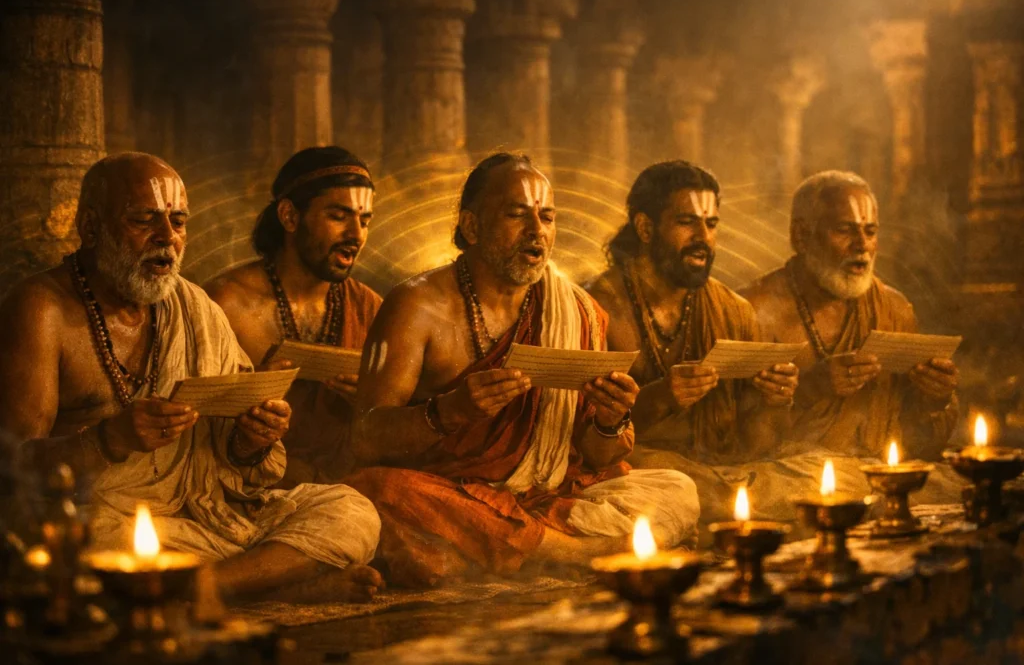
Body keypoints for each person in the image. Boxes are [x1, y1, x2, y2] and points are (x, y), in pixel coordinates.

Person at [0, 153, 382, 603]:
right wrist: (108, 440)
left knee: (351, 511)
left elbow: (234, 460)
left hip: (207, 516)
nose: (167, 238)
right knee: (69, 540)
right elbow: (12, 470)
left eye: (178, 222)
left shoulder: (194, 306)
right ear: (91, 227)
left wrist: (251, 441)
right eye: (144, 220)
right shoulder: (40, 309)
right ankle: (276, 579)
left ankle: (201, 585)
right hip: (108, 516)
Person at [344, 153, 699, 587]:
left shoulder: (580, 312)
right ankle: (575, 554)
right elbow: (365, 438)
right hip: (450, 493)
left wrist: (610, 420)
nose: (537, 231)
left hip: (545, 498)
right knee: (376, 490)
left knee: (676, 490)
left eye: (546, 217)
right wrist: (449, 411)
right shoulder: (416, 305)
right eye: (517, 214)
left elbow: (597, 458)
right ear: (472, 226)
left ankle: (493, 554)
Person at [585, 161, 798, 466]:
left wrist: (775, 401)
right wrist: (659, 398)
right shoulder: (597, 309)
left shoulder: (733, 311)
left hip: (721, 472)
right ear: (645, 228)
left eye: (711, 224)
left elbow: (758, 445)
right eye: (687, 222)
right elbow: (582, 440)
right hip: (635, 473)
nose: (703, 237)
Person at [740, 170, 959, 460]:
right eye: (845, 230)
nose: (862, 245)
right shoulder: (753, 309)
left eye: (870, 231)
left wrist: (934, 399)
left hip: (876, 473)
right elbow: (724, 442)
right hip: (788, 475)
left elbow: (915, 443)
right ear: (801, 236)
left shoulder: (893, 309)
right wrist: (809, 388)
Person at [206, 147, 381, 486]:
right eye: (338, 216)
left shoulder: (369, 308)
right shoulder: (225, 305)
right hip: (239, 485)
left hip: (342, 485)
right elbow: (192, 423)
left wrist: (370, 403)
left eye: (364, 221)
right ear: (289, 216)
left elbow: (393, 424)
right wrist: (245, 397)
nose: (356, 235)